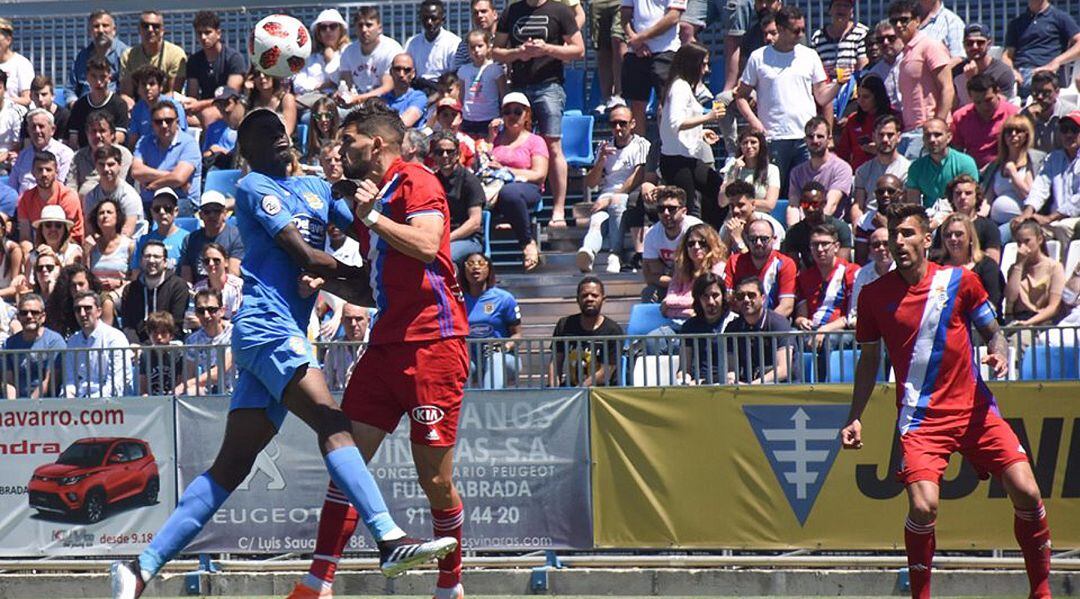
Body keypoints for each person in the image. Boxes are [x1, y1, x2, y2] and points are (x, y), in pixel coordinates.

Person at [111, 107, 455, 599]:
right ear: (245, 153)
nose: (278, 137)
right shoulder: (253, 189)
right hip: (266, 327)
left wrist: (378, 251)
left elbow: (366, 229)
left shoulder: (316, 189)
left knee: (230, 467)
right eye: (263, 134)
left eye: (280, 129)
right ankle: (388, 538)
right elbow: (307, 256)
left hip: (281, 334)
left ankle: (138, 569)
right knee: (333, 424)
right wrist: (341, 272)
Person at [286, 101, 468, 599]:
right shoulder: (375, 199)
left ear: (377, 144)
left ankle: (450, 587)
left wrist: (373, 219)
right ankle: (317, 582)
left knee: (434, 480)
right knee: (346, 460)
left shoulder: (417, 181)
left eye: (348, 141)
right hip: (385, 345)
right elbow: (372, 288)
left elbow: (429, 245)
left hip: (434, 344)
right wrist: (326, 279)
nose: (340, 150)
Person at [840, 202, 1052, 599]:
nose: (898, 242)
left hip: (975, 411)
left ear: (925, 237)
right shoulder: (871, 295)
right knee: (923, 507)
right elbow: (869, 361)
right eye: (891, 235)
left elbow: (993, 331)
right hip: (922, 421)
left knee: (1028, 491)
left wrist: (1000, 352)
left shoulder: (960, 281)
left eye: (906, 233)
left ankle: (1041, 591)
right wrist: (855, 417)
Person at [493, 0, 586, 227]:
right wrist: (518, 53)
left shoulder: (560, 10)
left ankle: (558, 210)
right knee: (511, 143)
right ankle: (514, 207)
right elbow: (496, 51)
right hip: (519, 86)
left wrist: (547, 49)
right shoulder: (511, 11)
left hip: (549, 86)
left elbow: (579, 50)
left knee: (553, 146)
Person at [736, 6, 834, 200]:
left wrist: (839, 84)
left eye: (803, 29)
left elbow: (822, 96)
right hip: (773, 136)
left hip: (805, 137)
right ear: (780, 28)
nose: (801, 34)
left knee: (808, 192)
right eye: (796, 30)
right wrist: (755, 123)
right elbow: (741, 96)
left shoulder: (809, 55)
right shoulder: (758, 57)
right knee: (774, 194)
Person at [658, 42, 726, 224]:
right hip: (676, 161)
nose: (706, 69)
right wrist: (709, 117)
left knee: (719, 191)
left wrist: (701, 132)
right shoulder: (680, 87)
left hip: (688, 158)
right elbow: (676, 123)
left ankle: (710, 236)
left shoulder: (685, 86)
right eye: (703, 64)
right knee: (685, 210)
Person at [578, 105, 649, 273]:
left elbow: (638, 176)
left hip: (629, 195)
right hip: (606, 195)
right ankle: (588, 252)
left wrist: (611, 198)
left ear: (632, 124)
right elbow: (591, 183)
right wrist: (601, 161)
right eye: (613, 124)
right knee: (596, 221)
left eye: (622, 123)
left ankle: (614, 254)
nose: (617, 128)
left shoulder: (641, 144)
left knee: (616, 202)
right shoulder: (604, 147)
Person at [488, 93, 549, 270]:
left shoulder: (535, 141)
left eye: (517, 111)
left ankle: (527, 242)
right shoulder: (496, 140)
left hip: (527, 187)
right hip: (494, 188)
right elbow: (484, 163)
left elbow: (539, 174)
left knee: (510, 193)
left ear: (527, 115)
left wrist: (507, 171)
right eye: (507, 112)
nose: (512, 116)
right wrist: (491, 139)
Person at [891, 0, 954, 151]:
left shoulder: (930, 46)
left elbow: (947, 87)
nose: (899, 25)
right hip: (910, 130)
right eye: (894, 21)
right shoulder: (905, 53)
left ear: (917, 21)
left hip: (928, 129)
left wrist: (938, 126)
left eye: (904, 20)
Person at [619, 0, 686, 137]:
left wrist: (641, 37)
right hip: (636, 52)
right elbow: (625, 15)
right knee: (637, 104)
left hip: (666, 50)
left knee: (667, 103)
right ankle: (640, 152)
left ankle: (667, 148)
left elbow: (673, 17)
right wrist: (636, 42)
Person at [1013, 111, 1080, 246]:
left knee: (1061, 228)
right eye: (1064, 130)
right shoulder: (1053, 158)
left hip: (1074, 219)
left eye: (1074, 130)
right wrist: (1027, 213)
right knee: (1022, 228)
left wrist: (1049, 218)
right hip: (1054, 219)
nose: (1069, 134)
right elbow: (1040, 186)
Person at [460, 252, 522, 388]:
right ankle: (461, 407)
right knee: (459, 365)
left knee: (495, 358)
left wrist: (504, 346)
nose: (476, 267)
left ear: (488, 269)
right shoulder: (457, 300)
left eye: (481, 263)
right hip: (471, 359)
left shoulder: (504, 298)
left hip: (503, 359)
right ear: (463, 270)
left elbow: (517, 335)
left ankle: (490, 403)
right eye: (470, 264)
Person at [548, 276, 623, 386]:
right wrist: (553, 390)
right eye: (584, 295)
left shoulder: (613, 330)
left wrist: (579, 392)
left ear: (603, 299)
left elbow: (605, 372)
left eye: (594, 295)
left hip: (600, 394)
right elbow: (555, 362)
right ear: (577, 299)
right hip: (570, 391)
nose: (589, 299)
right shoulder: (564, 325)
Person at [794, 222, 857, 353]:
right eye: (815, 244)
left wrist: (825, 329)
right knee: (789, 338)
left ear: (836, 246)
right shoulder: (804, 277)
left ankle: (824, 374)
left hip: (841, 330)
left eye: (825, 244)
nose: (820, 249)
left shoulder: (851, 272)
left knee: (828, 341)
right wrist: (801, 320)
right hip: (813, 329)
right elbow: (801, 311)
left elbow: (852, 316)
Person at [131, 102, 202, 216]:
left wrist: (152, 185)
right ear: (152, 124)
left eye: (168, 121)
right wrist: (171, 177)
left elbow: (178, 178)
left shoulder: (189, 144)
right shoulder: (144, 142)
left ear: (177, 122)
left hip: (180, 201)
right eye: (158, 122)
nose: (164, 125)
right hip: (150, 201)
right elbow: (136, 171)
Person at [724, 275, 797, 383]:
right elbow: (731, 367)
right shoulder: (732, 328)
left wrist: (755, 384)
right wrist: (731, 379)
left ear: (763, 299)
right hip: (749, 389)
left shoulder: (779, 324)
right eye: (740, 296)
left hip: (782, 388)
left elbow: (784, 370)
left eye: (751, 295)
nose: (746, 300)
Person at [63, 290, 133, 398]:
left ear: (99, 312)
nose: (82, 314)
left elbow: (117, 383)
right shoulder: (72, 342)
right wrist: (69, 397)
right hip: (79, 403)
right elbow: (69, 381)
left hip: (111, 405)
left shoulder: (115, 338)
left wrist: (91, 403)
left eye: (87, 308)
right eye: (78, 309)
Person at [1003, 0, 1080, 96]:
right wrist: (1012, 72)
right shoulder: (1016, 23)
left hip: (1047, 73)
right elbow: (1007, 55)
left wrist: (1056, 61)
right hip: (1020, 74)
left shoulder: (1060, 18)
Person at [120, 239, 190, 344]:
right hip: (138, 347)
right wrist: (135, 345)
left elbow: (177, 323)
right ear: (140, 261)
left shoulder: (178, 286)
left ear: (165, 262)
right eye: (147, 256)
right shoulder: (130, 290)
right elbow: (128, 325)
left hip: (169, 345)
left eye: (156, 257)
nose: (151, 260)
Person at [935, 212, 1005, 316]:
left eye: (959, 234)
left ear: (971, 237)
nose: (953, 239)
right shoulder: (936, 267)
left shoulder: (987, 266)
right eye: (948, 235)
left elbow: (993, 302)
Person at [184, 11, 246, 127]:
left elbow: (230, 95)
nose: (203, 37)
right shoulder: (194, 60)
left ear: (218, 33)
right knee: (178, 118)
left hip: (230, 107)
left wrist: (200, 105)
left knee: (209, 115)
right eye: (199, 33)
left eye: (207, 32)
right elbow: (192, 94)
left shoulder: (234, 58)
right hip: (203, 108)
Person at [724, 218, 797, 317]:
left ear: (774, 239)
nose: (758, 243)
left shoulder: (785, 264)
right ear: (747, 240)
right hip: (741, 322)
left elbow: (786, 306)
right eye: (753, 239)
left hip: (773, 325)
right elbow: (728, 299)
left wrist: (763, 325)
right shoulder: (734, 262)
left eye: (764, 239)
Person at [788, 116, 855, 222]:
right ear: (805, 140)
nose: (815, 140)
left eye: (820, 136)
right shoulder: (796, 172)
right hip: (803, 225)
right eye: (810, 136)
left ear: (829, 139)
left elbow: (831, 205)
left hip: (832, 226)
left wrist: (813, 227)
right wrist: (793, 230)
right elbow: (793, 206)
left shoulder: (842, 168)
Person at [430, 133, 484, 263]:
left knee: (443, 256)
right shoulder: (431, 180)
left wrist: (447, 238)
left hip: (467, 239)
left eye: (450, 152)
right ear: (433, 156)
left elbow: (475, 222)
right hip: (436, 238)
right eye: (439, 152)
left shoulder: (470, 181)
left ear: (458, 154)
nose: (445, 156)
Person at [642, 186, 703, 302]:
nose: (666, 213)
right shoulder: (652, 234)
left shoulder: (696, 230)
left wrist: (686, 281)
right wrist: (677, 282)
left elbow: (705, 266)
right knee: (649, 292)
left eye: (671, 208)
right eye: (661, 209)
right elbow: (650, 275)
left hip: (698, 284)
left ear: (684, 211)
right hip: (671, 283)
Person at [905, 118, 979, 209]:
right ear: (923, 139)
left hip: (959, 215)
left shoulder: (965, 163)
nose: (932, 139)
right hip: (928, 217)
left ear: (949, 137)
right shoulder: (916, 168)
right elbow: (913, 205)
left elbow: (971, 200)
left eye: (937, 135)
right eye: (928, 135)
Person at [950, 74, 1020, 169]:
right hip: (972, 171)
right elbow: (956, 151)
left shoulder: (1014, 114)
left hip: (1004, 170)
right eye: (978, 102)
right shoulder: (960, 117)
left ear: (997, 92)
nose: (984, 107)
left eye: (988, 100)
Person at [1004, 219, 1065, 329]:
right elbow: (1010, 298)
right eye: (1019, 242)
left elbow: (1054, 306)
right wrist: (1019, 265)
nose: (1022, 246)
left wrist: (1029, 323)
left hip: (1043, 321)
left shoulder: (1055, 267)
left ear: (1039, 239)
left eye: (1027, 241)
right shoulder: (1015, 269)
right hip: (1019, 319)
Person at [3, 293, 65, 399]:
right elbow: (9, 381)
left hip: (48, 405)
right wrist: (13, 406)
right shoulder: (9, 344)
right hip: (18, 408)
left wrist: (29, 405)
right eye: (24, 313)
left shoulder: (55, 341)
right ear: (18, 317)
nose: (29, 316)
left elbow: (50, 381)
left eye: (35, 312)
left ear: (43, 317)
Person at [17, 153, 85, 248]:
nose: (44, 174)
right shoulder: (25, 198)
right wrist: (30, 255)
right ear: (32, 172)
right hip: (39, 249)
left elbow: (66, 235)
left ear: (56, 172)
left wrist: (48, 255)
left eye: (48, 170)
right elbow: (25, 237)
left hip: (69, 247)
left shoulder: (68, 197)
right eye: (39, 169)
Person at [337, 7, 403, 107]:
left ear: (379, 28)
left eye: (369, 25)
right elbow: (347, 85)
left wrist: (358, 99)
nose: (364, 30)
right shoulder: (348, 52)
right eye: (360, 25)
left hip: (383, 103)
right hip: (355, 104)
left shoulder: (392, 49)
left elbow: (387, 87)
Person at [852, 114, 909, 226]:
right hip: (868, 222)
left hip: (896, 221)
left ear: (899, 137)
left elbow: (907, 205)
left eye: (890, 135)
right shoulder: (863, 170)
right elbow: (858, 205)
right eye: (881, 135)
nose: (885, 139)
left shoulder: (908, 170)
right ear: (873, 136)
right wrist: (857, 226)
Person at [661, 222, 727, 320]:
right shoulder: (681, 268)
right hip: (675, 321)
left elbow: (702, 303)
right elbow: (667, 302)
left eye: (702, 243)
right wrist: (687, 310)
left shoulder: (718, 267)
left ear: (711, 245)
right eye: (691, 244)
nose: (696, 247)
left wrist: (672, 306)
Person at [782, 181, 854, 268]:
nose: (810, 209)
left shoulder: (840, 228)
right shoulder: (794, 232)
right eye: (805, 204)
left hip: (837, 276)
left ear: (824, 203)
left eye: (815, 204)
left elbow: (841, 266)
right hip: (810, 277)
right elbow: (792, 266)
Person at [836, 76, 897, 171]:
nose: (860, 101)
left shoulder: (894, 117)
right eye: (859, 96)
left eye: (866, 97)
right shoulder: (853, 120)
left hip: (888, 171)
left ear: (877, 96)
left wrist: (879, 150)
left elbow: (902, 151)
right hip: (859, 173)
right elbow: (842, 153)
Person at [119, 10, 187, 97]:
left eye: (156, 26)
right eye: (145, 26)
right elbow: (126, 94)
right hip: (138, 105)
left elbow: (174, 93)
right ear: (139, 30)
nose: (150, 30)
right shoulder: (128, 56)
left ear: (163, 30)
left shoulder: (176, 54)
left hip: (167, 105)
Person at [179, 191, 242, 283]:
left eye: (217, 211)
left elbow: (233, 275)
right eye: (207, 211)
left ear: (224, 213)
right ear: (201, 215)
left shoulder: (236, 236)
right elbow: (186, 278)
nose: (212, 215)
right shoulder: (190, 240)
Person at [677, 273, 730, 384]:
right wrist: (683, 380)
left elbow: (734, 370)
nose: (710, 301)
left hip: (725, 384)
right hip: (696, 385)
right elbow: (684, 368)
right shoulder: (689, 326)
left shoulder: (733, 323)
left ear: (724, 296)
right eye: (705, 296)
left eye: (715, 295)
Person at [180, 288, 234, 396]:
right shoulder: (192, 340)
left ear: (222, 311)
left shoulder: (234, 334)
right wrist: (186, 387)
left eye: (211, 310)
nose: (206, 315)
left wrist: (185, 385)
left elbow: (221, 371)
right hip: (207, 393)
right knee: (190, 392)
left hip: (234, 393)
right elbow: (188, 374)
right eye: (201, 311)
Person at [68, 111, 134, 200]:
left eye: (102, 131)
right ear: (87, 134)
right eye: (93, 131)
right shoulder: (78, 157)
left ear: (112, 134)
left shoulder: (123, 154)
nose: (98, 135)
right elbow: (71, 187)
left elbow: (117, 185)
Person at [67, 57, 130, 148]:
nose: (98, 82)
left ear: (109, 77)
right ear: (87, 77)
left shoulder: (119, 104)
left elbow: (120, 136)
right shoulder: (79, 105)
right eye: (94, 76)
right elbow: (73, 138)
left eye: (102, 76)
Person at [10, 109, 75, 194]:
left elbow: (61, 188)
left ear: (52, 130)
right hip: (22, 204)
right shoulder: (23, 155)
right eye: (33, 127)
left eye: (41, 126)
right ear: (28, 131)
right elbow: (12, 187)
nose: (37, 131)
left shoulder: (65, 154)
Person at [456, 30, 506, 139]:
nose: (476, 50)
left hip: (489, 119)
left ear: (488, 47)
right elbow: (461, 96)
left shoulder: (495, 69)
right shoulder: (463, 70)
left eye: (480, 46)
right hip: (468, 119)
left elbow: (503, 95)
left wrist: (502, 117)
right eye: (472, 47)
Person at [69, 10, 129, 101]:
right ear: (89, 32)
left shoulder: (125, 54)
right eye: (96, 26)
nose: (101, 30)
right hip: (85, 108)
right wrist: (73, 103)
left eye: (105, 26)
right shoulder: (81, 57)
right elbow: (70, 89)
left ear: (114, 30)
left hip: (113, 107)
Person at [952, 24, 1017, 106]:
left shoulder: (1002, 72)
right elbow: (953, 105)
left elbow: (998, 106)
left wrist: (974, 80)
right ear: (963, 45)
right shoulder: (956, 71)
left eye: (980, 43)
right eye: (969, 43)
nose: (974, 47)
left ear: (989, 44)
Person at [128, 65, 189, 149]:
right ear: (138, 89)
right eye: (143, 84)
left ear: (160, 87)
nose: (147, 88)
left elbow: (181, 136)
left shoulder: (174, 107)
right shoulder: (137, 109)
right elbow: (133, 140)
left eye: (152, 84)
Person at [294, 9, 351, 100]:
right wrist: (322, 85)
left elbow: (345, 82)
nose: (328, 31)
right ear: (318, 33)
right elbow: (297, 85)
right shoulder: (310, 57)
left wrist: (331, 60)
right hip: (313, 102)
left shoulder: (348, 51)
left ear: (341, 30)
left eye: (333, 26)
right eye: (323, 27)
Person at [720, 129, 780, 214]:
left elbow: (769, 205)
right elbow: (722, 202)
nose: (748, 146)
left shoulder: (772, 170)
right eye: (745, 143)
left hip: (760, 218)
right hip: (736, 217)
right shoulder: (732, 168)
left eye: (753, 142)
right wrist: (732, 175)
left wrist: (740, 202)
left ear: (760, 145)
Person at [809, 0, 870, 81]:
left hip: (852, 88)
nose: (841, 9)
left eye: (846, 6)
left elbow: (863, 65)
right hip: (825, 88)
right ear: (830, 10)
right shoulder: (818, 37)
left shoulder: (862, 33)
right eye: (838, 5)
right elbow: (811, 67)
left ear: (852, 11)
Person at [718, 181, 785, 253]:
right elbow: (721, 261)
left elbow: (768, 262)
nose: (735, 210)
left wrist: (738, 239)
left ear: (753, 205)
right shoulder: (727, 228)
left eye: (740, 205)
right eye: (732, 206)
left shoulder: (771, 228)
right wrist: (728, 237)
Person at [133, 188, 190, 273]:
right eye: (157, 209)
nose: (162, 212)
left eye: (167, 208)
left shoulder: (187, 239)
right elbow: (136, 274)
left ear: (176, 211)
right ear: (152, 212)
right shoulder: (142, 241)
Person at [86, 197, 134, 297]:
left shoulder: (129, 245)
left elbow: (135, 279)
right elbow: (85, 277)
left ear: (117, 217)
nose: (105, 215)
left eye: (109, 212)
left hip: (120, 294)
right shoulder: (92, 246)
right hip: (95, 296)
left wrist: (119, 283)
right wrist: (85, 253)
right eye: (101, 213)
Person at [406, 0, 462, 84]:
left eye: (434, 18)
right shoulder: (412, 42)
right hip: (417, 88)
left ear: (443, 20)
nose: (429, 22)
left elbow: (455, 76)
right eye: (425, 18)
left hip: (443, 88)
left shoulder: (454, 43)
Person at [849, 226, 894, 329]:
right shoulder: (861, 274)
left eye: (886, 244)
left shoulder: (904, 272)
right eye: (876, 245)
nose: (882, 248)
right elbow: (854, 312)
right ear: (870, 250)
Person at [855, 174, 903, 264]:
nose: (885, 195)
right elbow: (860, 259)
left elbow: (905, 249)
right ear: (875, 194)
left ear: (900, 194)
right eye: (881, 192)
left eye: (891, 191)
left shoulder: (909, 219)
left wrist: (885, 227)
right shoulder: (865, 221)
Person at [46, 264, 104, 337]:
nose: (77, 289)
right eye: (73, 285)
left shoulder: (101, 302)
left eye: (81, 284)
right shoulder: (58, 307)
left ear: (90, 283)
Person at [322, 303, 370, 392]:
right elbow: (328, 382)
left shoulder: (376, 345)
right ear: (342, 321)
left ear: (368, 321)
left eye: (358, 319)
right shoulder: (334, 348)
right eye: (348, 319)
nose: (353, 324)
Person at [192, 242, 244, 320]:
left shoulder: (237, 286)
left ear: (226, 262)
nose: (211, 263)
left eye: (216, 260)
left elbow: (236, 320)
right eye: (207, 261)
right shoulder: (197, 288)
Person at [138, 310, 183, 396]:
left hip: (173, 398)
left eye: (163, 333)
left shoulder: (178, 354)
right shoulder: (145, 355)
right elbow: (143, 389)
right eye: (155, 333)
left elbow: (180, 384)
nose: (159, 337)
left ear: (171, 335)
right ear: (149, 334)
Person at [202, 87, 245, 170]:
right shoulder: (213, 127)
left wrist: (222, 151)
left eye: (226, 103)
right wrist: (211, 152)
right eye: (219, 104)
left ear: (236, 102)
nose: (224, 108)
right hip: (216, 166)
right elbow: (205, 153)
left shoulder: (243, 127)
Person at [381, 54, 428, 128]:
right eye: (397, 69)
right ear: (391, 72)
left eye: (407, 70)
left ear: (413, 74)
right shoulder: (382, 98)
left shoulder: (418, 97)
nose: (401, 74)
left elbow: (403, 124)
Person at [247, 69, 297, 137]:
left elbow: (287, 131)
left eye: (266, 73)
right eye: (257, 74)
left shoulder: (286, 99)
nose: (262, 77)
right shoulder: (252, 101)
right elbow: (237, 125)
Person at [868, 20, 904, 109]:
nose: (885, 42)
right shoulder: (875, 73)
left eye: (891, 38)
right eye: (880, 40)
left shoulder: (913, 61)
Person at [0, 19, 33, 108]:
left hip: (14, 112)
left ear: (8, 40)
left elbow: (27, 99)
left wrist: (4, 101)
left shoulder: (21, 64)